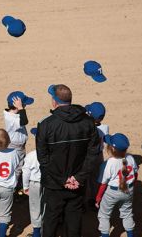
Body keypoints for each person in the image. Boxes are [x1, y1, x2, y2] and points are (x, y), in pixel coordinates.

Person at [36, 84, 100, 237]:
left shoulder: (46, 125)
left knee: (51, 220)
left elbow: (43, 159)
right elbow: (93, 154)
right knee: (74, 221)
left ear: (54, 101)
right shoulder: (88, 122)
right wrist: (78, 178)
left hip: (55, 184)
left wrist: (63, 179)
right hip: (77, 183)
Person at [95, 133, 138, 237]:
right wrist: (132, 187)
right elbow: (136, 174)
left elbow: (103, 184)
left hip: (112, 192)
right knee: (127, 213)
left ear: (112, 149)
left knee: (104, 215)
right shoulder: (131, 158)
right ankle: (130, 234)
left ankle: (105, 235)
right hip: (129, 190)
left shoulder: (109, 163)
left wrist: (98, 197)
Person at [3, 91, 34, 184]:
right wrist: (20, 107)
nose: (25, 106)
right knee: (16, 170)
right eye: (24, 104)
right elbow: (24, 121)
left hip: (18, 147)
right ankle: (12, 191)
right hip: (15, 149)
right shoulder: (11, 118)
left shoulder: (12, 114)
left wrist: (19, 108)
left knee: (18, 169)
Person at [85, 101, 109, 209]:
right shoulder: (105, 128)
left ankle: (84, 201)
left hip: (86, 156)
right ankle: (95, 201)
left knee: (84, 179)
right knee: (96, 179)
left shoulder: (86, 127)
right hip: (98, 156)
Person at [22, 128, 42, 237]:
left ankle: (37, 234)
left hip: (35, 185)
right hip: (48, 184)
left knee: (35, 209)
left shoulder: (31, 155)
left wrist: (25, 187)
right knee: (47, 207)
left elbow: (26, 173)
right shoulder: (53, 154)